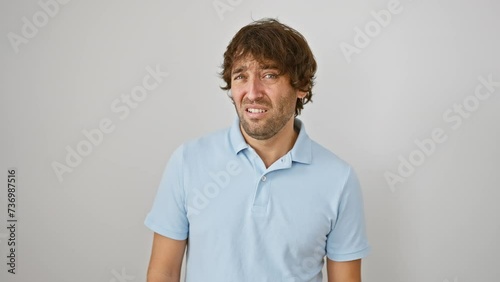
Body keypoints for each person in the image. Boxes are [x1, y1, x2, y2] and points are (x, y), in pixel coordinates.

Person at [144, 18, 370, 282]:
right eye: (241, 76)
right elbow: (164, 272)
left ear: (301, 86)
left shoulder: (339, 179)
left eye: (269, 75)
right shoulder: (187, 161)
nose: (252, 92)